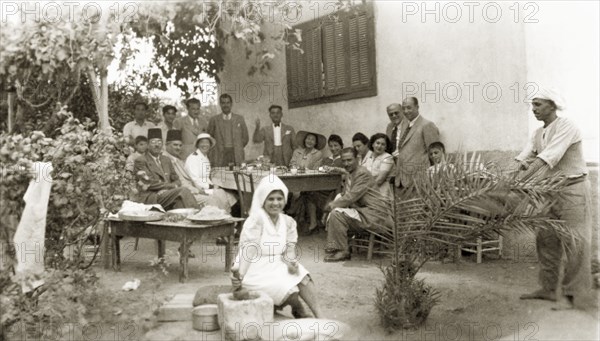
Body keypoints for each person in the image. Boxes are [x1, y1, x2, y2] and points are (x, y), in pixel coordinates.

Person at [515, 88, 592, 310]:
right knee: (545, 240)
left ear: (552, 105)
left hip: (573, 190)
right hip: (548, 192)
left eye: (538, 104)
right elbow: (524, 158)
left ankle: (574, 296)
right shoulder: (538, 133)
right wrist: (505, 177)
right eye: (532, 105)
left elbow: (547, 158)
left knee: (575, 242)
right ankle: (548, 289)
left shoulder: (567, 126)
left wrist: (519, 184)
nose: (533, 109)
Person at [230, 175, 323, 318]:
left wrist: (291, 263)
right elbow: (249, 250)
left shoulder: (288, 222)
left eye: (279, 199)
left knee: (304, 277)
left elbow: (289, 250)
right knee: (289, 291)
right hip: (255, 266)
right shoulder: (256, 220)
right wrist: (240, 276)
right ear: (263, 201)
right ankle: (296, 307)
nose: (275, 203)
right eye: (271, 199)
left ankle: (320, 315)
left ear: (285, 200)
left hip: (277, 262)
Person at [324, 148, 393, 262]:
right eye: (344, 160)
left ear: (357, 159)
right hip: (363, 211)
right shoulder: (351, 172)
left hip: (374, 215)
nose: (346, 164)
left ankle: (343, 251)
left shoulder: (362, 173)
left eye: (349, 160)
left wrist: (332, 204)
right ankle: (335, 246)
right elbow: (346, 195)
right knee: (336, 212)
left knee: (336, 214)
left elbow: (351, 197)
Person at [163, 130, 235, 212]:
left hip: (195, 188)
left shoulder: (202, 158)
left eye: (207, 143)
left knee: (227, 195)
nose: (205, 145)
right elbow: (191, 179)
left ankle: (226, 217)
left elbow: (204, 177)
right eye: (175, 145)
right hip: (189, 190)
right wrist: (201, 190)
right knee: (218, 197)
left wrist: (212, 185)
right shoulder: (191, 158)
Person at [133, 128, 197, 209]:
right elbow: (148, 183)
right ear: (148, 145)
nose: (157, 145)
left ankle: (182, 219)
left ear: (162, 144)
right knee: (183, 190)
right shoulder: (141, 160)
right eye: (153, 142)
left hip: (167, 194)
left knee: (180, 201)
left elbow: (177, 180)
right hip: (152, 196)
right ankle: (197, 216)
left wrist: (168, 189)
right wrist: (170, 187)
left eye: (159, 142)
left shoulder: (166, 160)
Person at [394, 97, 440, 189]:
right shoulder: (404, 126)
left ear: (417, 107)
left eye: (409, 107)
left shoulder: (427, 125)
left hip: (420, 180)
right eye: (403, 108)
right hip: (402, 180)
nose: (406, 111)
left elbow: (436, 155)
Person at [185, 133, 237, 212]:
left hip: (206, 186)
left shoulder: (204, 157)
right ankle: (225, 215)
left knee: (232, 196)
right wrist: (211, 187)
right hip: (198, 189)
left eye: (207, 143)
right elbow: (195, 180)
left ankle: (227, 215)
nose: (205, 145)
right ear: (198, 144)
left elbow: (206, 177)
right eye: (202, 142)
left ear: (210, 145)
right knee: (223, 194)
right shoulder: (193, 158)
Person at [305, 134, 346, 234]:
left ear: (341, 146)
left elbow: (346, 175)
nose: (333, 148)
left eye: (336, 146)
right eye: (331, 146)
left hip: (337, 189)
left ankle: (325, 220)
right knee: (308, 194)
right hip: (323, 187)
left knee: (333, 195)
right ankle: (313, 223)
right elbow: (318, 170)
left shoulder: (345, 159)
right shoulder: (326, 159)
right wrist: (320, 168)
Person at [208, 94, 249, 166]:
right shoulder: (214, 120)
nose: (225, 105)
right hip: (220, 154)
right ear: (220, 104)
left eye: (228, 103)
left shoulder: (239, 119)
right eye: (223, 103)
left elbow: (245, 137)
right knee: (221, 175)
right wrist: (216, 150)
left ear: (231, 104)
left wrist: (238, 147)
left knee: (237, 174)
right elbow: (209, 138)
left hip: (236, 154)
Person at [362, 133, 394, 198]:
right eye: (377, 143)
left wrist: (363, 190)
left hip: (381, 193)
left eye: (383, 144)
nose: (379, 146)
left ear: (386, 147)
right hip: (367, 191)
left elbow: (380, 180)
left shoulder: (387, 158)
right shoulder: (369, 157)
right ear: (373, 144)